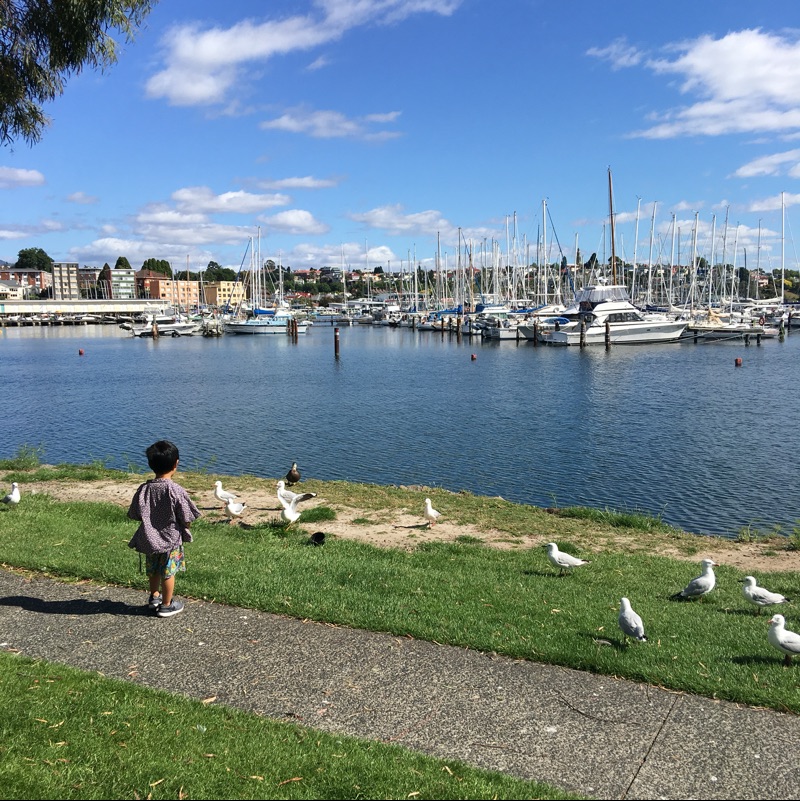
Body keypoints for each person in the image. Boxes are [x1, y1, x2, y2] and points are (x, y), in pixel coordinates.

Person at [128, 440, 200, 618]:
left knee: (153, 569)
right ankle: (167, 605)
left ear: (151, 464)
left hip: (148, 538)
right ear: (176, 463)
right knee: (168, 572)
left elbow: (135, 513)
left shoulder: (144, 489)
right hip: (170, 539)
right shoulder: (175, 490)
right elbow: (187, 516)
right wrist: (186, 526)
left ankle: (154, 597)